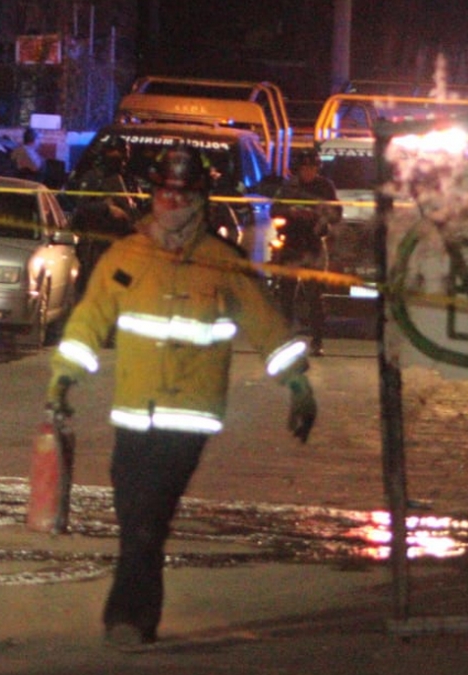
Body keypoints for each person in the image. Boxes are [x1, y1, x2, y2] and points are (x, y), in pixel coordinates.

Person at [47, 142, 317, 649]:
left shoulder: (223, 263)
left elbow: (266, 324)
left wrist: (297, 384)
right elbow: (89, 321)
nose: (172, 202)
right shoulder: (126, 257)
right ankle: (138, 618)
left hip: (189, 417)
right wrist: (63, 379)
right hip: (134, 414)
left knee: (149, 515)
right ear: (153, 195)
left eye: (183, 194)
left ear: (200, 199)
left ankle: (126, 619)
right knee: (134, 515)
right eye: (165, 193)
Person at [271, 148, 340, 356]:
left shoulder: (325, 186)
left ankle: (317, 341)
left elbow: (336, 213)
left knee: (315, 297)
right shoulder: (288, 187)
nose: (309, 171)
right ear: (298, 169)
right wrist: (290, 212)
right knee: (286, 294)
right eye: (305, 168)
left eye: (312, 168)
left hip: (313, 244)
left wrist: (318, 215)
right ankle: (285, 339)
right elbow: (274, 210)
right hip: (291, 243)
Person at [70, 134, 137, 294]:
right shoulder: (93, 178)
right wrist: (106, 208)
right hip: (95, 245)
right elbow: (81, 208)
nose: (119, 159)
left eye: (122, 155)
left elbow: (132, 211)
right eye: (115, 154)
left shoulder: (126, 180)